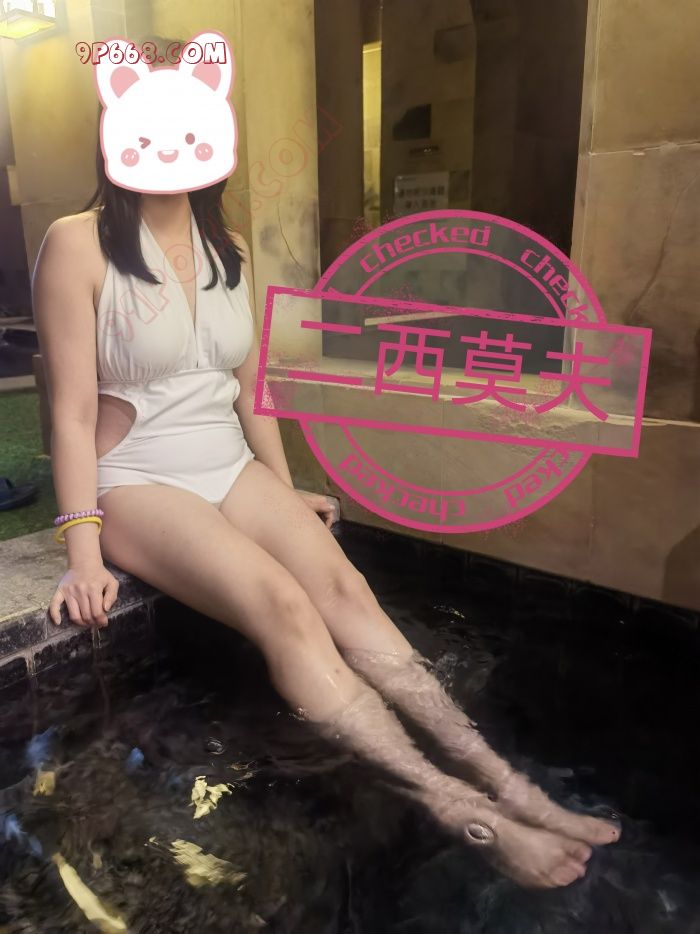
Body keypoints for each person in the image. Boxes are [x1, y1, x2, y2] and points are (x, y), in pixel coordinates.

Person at [32, 140, 620, 892]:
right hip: (138, 475)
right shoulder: (77, 242)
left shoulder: (229, 247)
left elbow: (249, 388)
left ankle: (507, 781)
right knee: (284, 607)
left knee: (346, 590)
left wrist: (284, 495)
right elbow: (72, 413)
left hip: (227, 462)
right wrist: (83, 553)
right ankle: (460, 808)